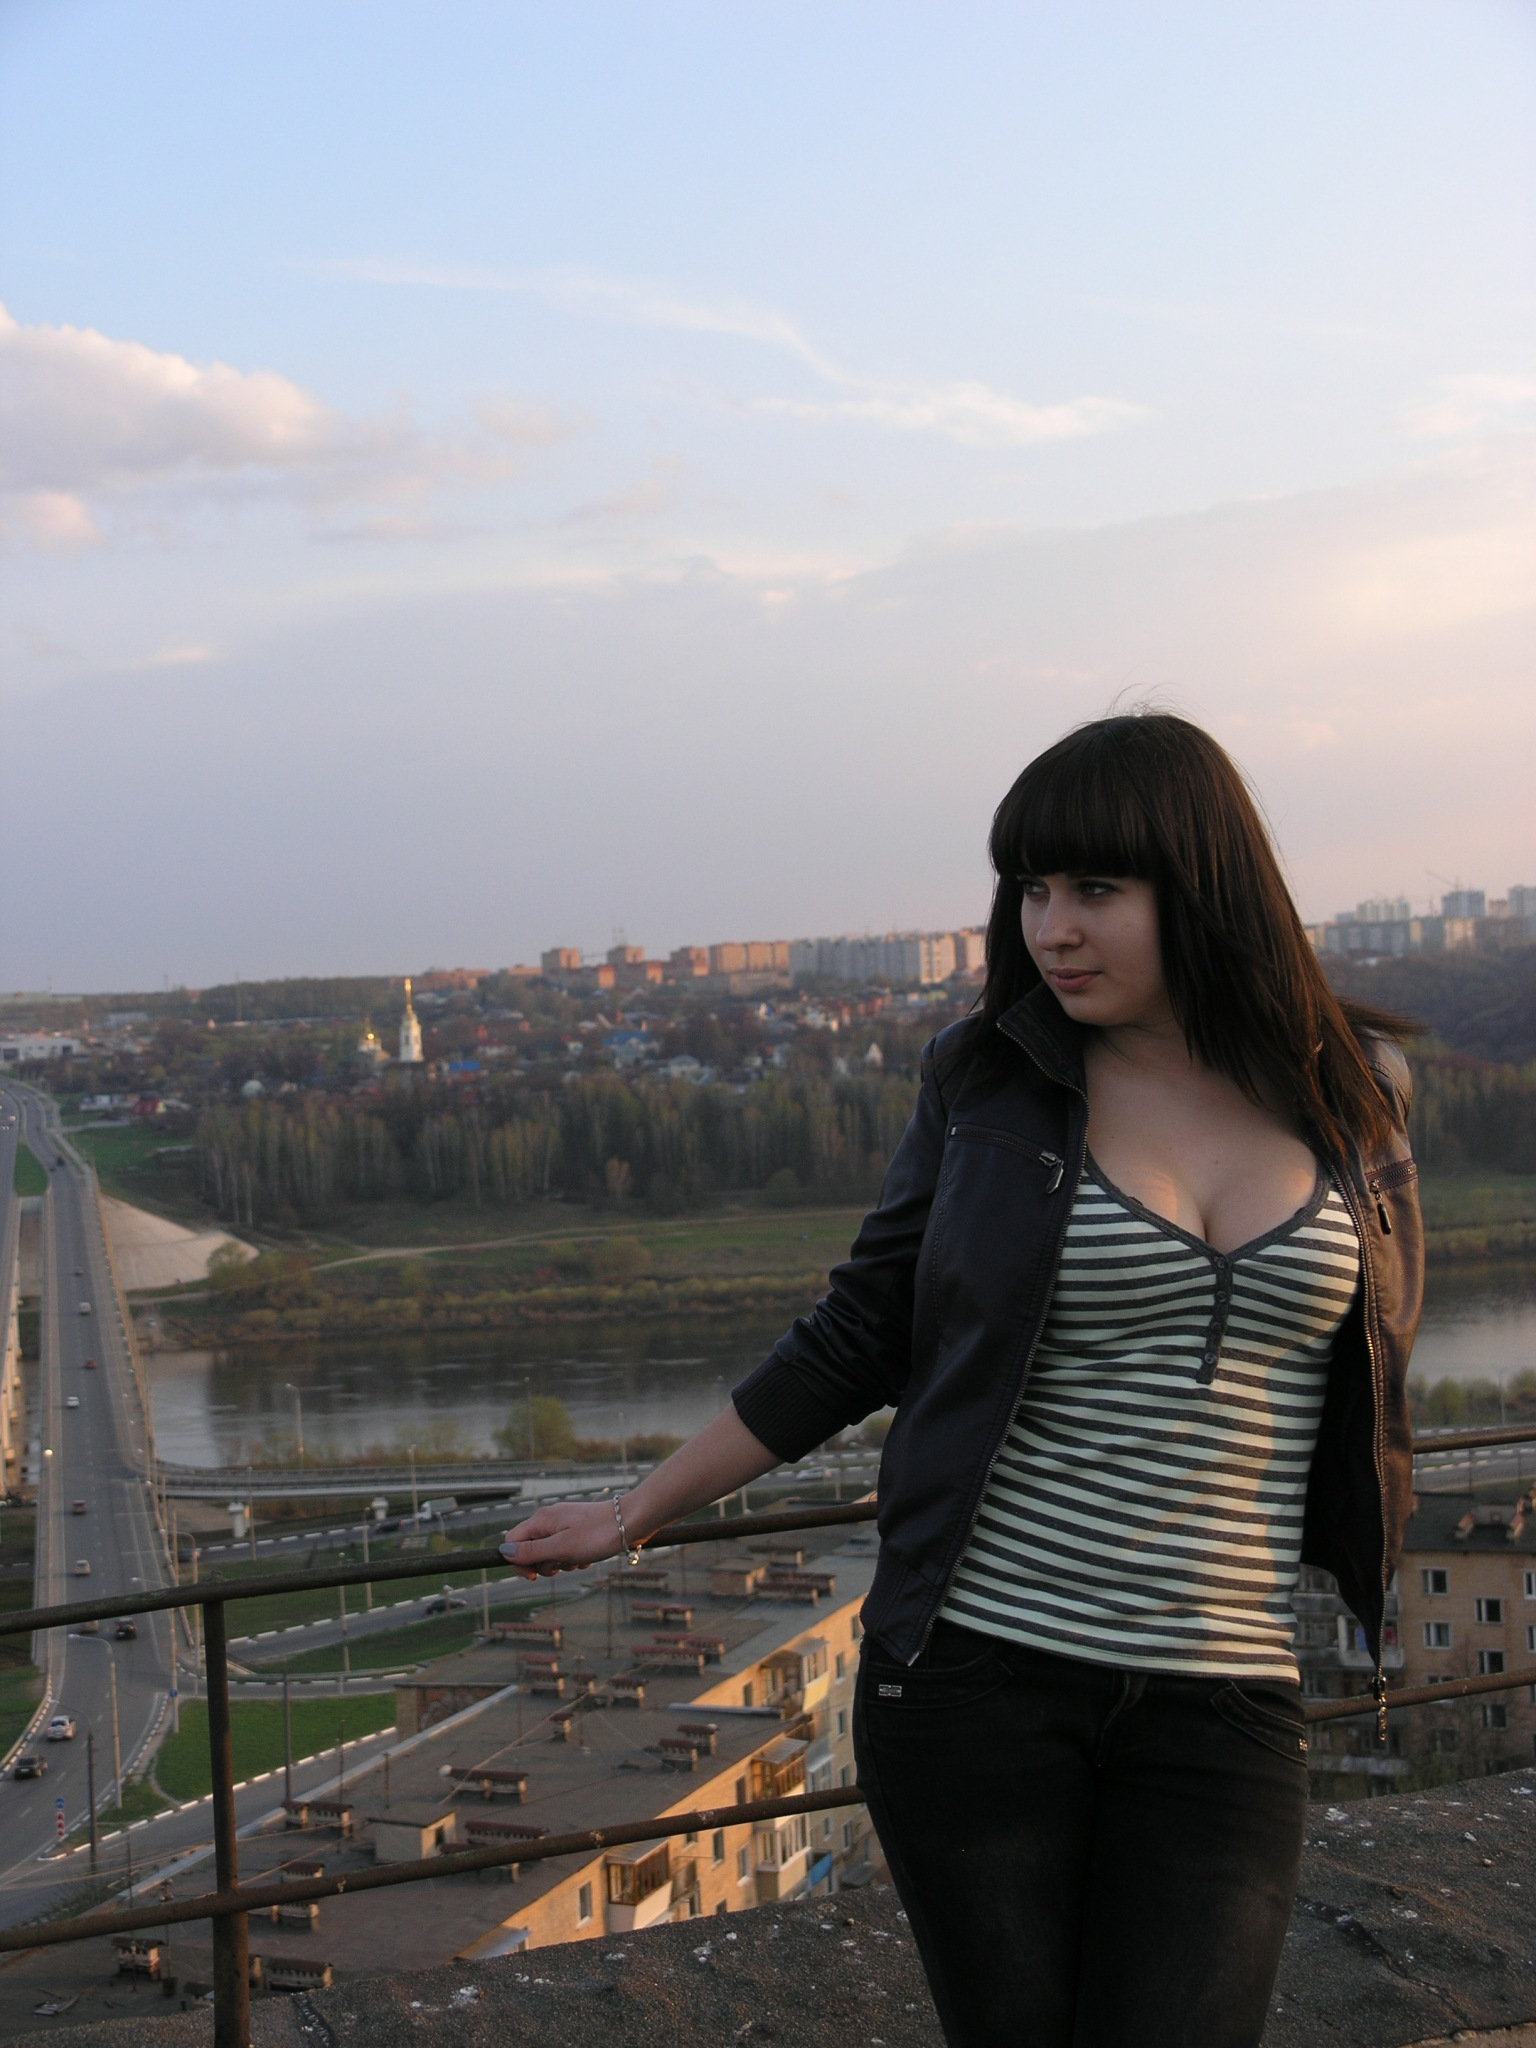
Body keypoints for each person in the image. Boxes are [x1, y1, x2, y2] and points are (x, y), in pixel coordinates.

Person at [499, 712, 1423, 2048]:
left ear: (1202, 884)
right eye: (1031, 889)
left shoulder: (1358, 1092)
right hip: (980, 1680)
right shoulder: (990, 1079)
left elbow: (1377, 1362)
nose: (1053, 929)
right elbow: (859, 1331)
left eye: (1095, 888)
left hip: (1224, 1691)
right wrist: (636, 1512)